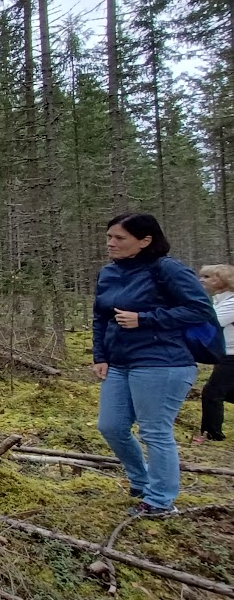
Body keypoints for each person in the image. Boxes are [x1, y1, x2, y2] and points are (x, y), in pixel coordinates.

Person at [93, 213, 213, 517]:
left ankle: (160, 500)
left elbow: (199, 309)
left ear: (145, 241)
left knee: (155, 431)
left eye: (120, 238)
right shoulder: (109, 273)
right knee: (111, 426)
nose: (111, 243)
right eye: (109, 236)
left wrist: (145, 319)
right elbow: (101, 316)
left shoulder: (167, 269)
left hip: (163, 362)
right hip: (120, 362)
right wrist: (100, 355)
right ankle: (141, 480)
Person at [197, 263, 234, 443]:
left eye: (207, 277)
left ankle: (212, 435)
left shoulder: (232, 302)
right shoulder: (217, 301)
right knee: (227, 392)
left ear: (224, 281)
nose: (201, 280)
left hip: (232, 355)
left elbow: (213, 322)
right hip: (225, 353)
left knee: (212, 393)